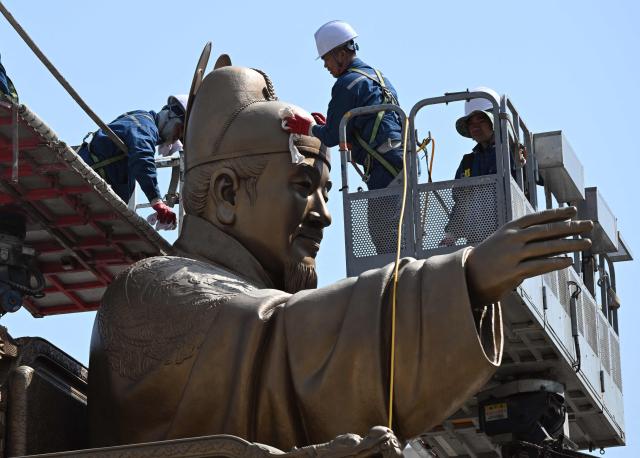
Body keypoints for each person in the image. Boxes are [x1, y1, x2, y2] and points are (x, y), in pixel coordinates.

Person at [88, 63, 592, 451]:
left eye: (327, 190)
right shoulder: (153, 289)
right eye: (304, 186)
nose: (325, 215)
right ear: (225, 194)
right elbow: (281, 340)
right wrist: (463, 280)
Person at [283, 20, 403, 190]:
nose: (325, 65)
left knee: (384, 217)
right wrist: (329, 126)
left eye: (326, 59)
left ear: (340, 55)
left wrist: (309, 128)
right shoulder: (378, 77)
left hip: (385, 169)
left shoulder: (347, 84)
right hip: (403, 161)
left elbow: (332, 137)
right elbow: (365, 124)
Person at [77, 95, 187, 229]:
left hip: (97, 197)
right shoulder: (144, 125)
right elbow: (142, 157)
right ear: (170, 116)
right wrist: (156, 201)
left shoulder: (144, 126)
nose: (177, 137)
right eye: (180, 129)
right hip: (84, 180)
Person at [441, 87, 526, 246]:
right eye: (470, 123)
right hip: (476, 243)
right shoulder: (468, 163)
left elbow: (532, 183)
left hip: (510, 237)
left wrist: (524, 163)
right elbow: (461, 204)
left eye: (481, 119)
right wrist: (452, 234)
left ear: (495, 121)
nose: (475, 127)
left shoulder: (513, 153)